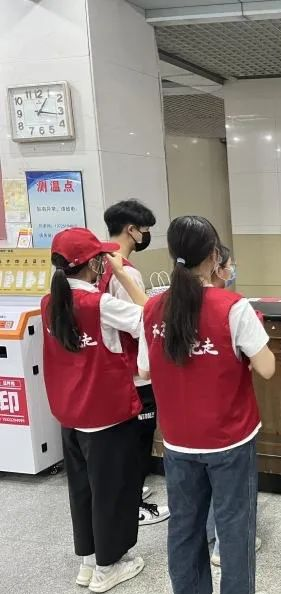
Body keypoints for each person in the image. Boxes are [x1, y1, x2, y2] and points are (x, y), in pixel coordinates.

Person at [137, 216, 276, 594]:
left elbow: (145, 369)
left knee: (184, 527)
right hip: (230, 439)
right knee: (234, 528)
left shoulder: (153, 308)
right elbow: (267, 367)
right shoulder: (232, 307)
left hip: (178, 440)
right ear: (215, 256)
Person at [42, 227, 149, 593]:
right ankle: (108, 567)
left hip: (70, 414)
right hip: (105, 412)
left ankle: (88, 561)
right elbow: (148, 318)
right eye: (101, 258)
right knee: (113, 490)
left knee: (83, 490)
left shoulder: (49, 302)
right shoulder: (98, 304)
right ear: (93, 264)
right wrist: (123, 275)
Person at [99, 199, 169, 527]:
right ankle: (133, 506)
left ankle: (129, 494)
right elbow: (142, 321)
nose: (146, 235)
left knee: (124, 441)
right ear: (132, 230)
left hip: (111, 367)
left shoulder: (98, 264)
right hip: (135, 373)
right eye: (145, 230)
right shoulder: (125, 272)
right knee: (138, 440)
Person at [203, 244, 262, 567]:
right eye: (230, 265)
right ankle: (224, 548)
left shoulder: (166, 304)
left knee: (202, 487)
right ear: (216, 266)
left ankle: (210, 539)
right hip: (227, 419)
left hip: (184, 425)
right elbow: (266, 366)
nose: (233, 270)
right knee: (230, 487)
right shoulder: (232, 307)